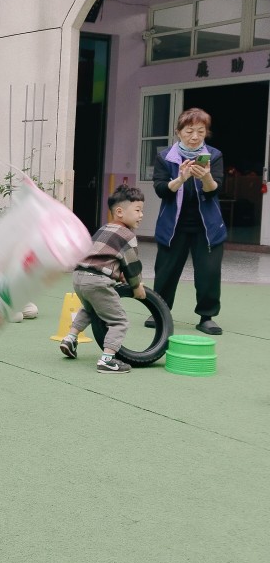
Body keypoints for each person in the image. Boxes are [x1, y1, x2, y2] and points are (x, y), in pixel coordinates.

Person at [150, 107, 226, 336]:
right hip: (173, 226)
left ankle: (207, 317)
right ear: (178, 132)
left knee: (208, 273)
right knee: (165, 272)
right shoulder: (165, 157)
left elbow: (214, 190)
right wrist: (181, 179)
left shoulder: (214, 155)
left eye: (200, 132)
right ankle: (159, 312)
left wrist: (207, 177)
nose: (195, 137)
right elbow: (161, 190)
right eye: (189, 131)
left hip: (207, 227)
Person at [59, 184, 146, 374]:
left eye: (142, 211)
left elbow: (105, 258)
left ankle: (70, 338)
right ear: (120, 212)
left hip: (79, 276)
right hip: (97, 280)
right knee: (119, 321)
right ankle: (107, 360)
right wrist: (136, 286)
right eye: (137, 210)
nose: (141, 215)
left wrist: (118, 274)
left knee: (90, 309)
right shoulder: (127, 235)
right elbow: (132, 266)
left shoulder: (104, 228)